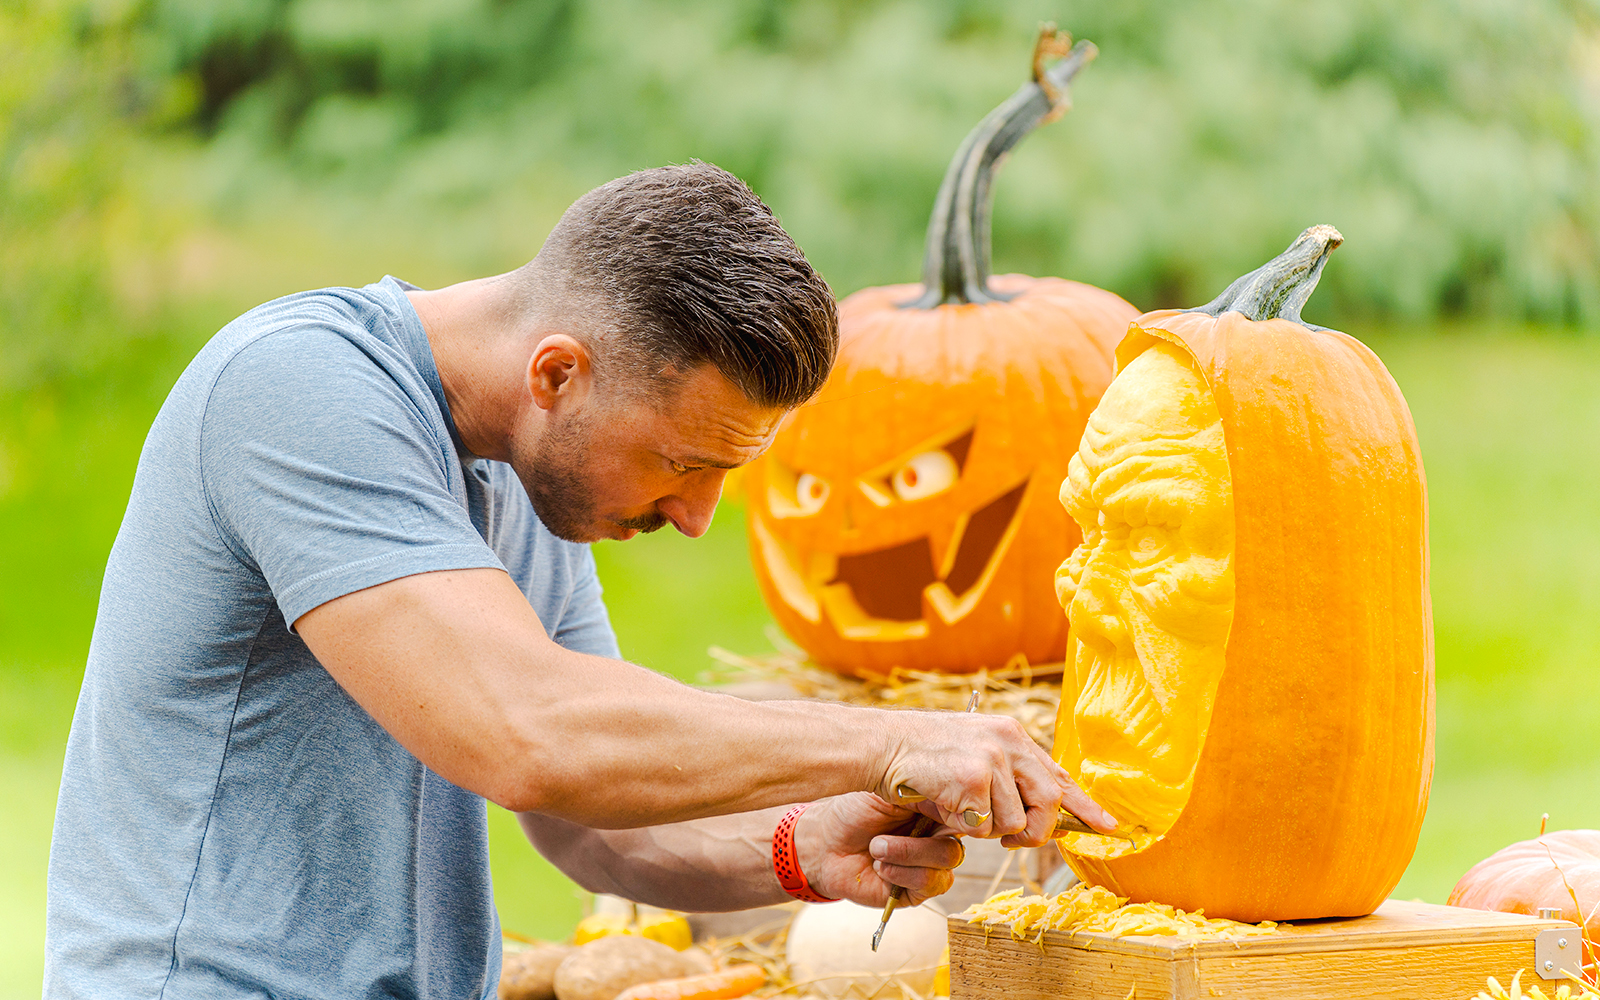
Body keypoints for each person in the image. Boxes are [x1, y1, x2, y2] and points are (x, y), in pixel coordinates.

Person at [43, 163, 1113, 999]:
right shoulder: (296, 387)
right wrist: (885, 740)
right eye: (686, 464)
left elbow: (600, 824)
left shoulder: (528, 470)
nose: (696, 520)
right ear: (557, 372)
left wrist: (797, 840)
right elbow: (526, 732)